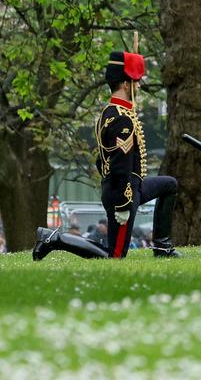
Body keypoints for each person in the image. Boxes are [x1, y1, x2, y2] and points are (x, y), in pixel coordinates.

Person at [34, 50, 181, 260]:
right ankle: (53, 238)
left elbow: (100, 159)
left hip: (131, 186)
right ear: (125, 84)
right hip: (124, 193)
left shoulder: (109, 113)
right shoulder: (122, 119)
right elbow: (120, 167)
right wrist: (123, 204)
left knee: (169, 184)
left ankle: (163, 247)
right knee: (114, 255)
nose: (138, 86)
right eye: (135, 82)